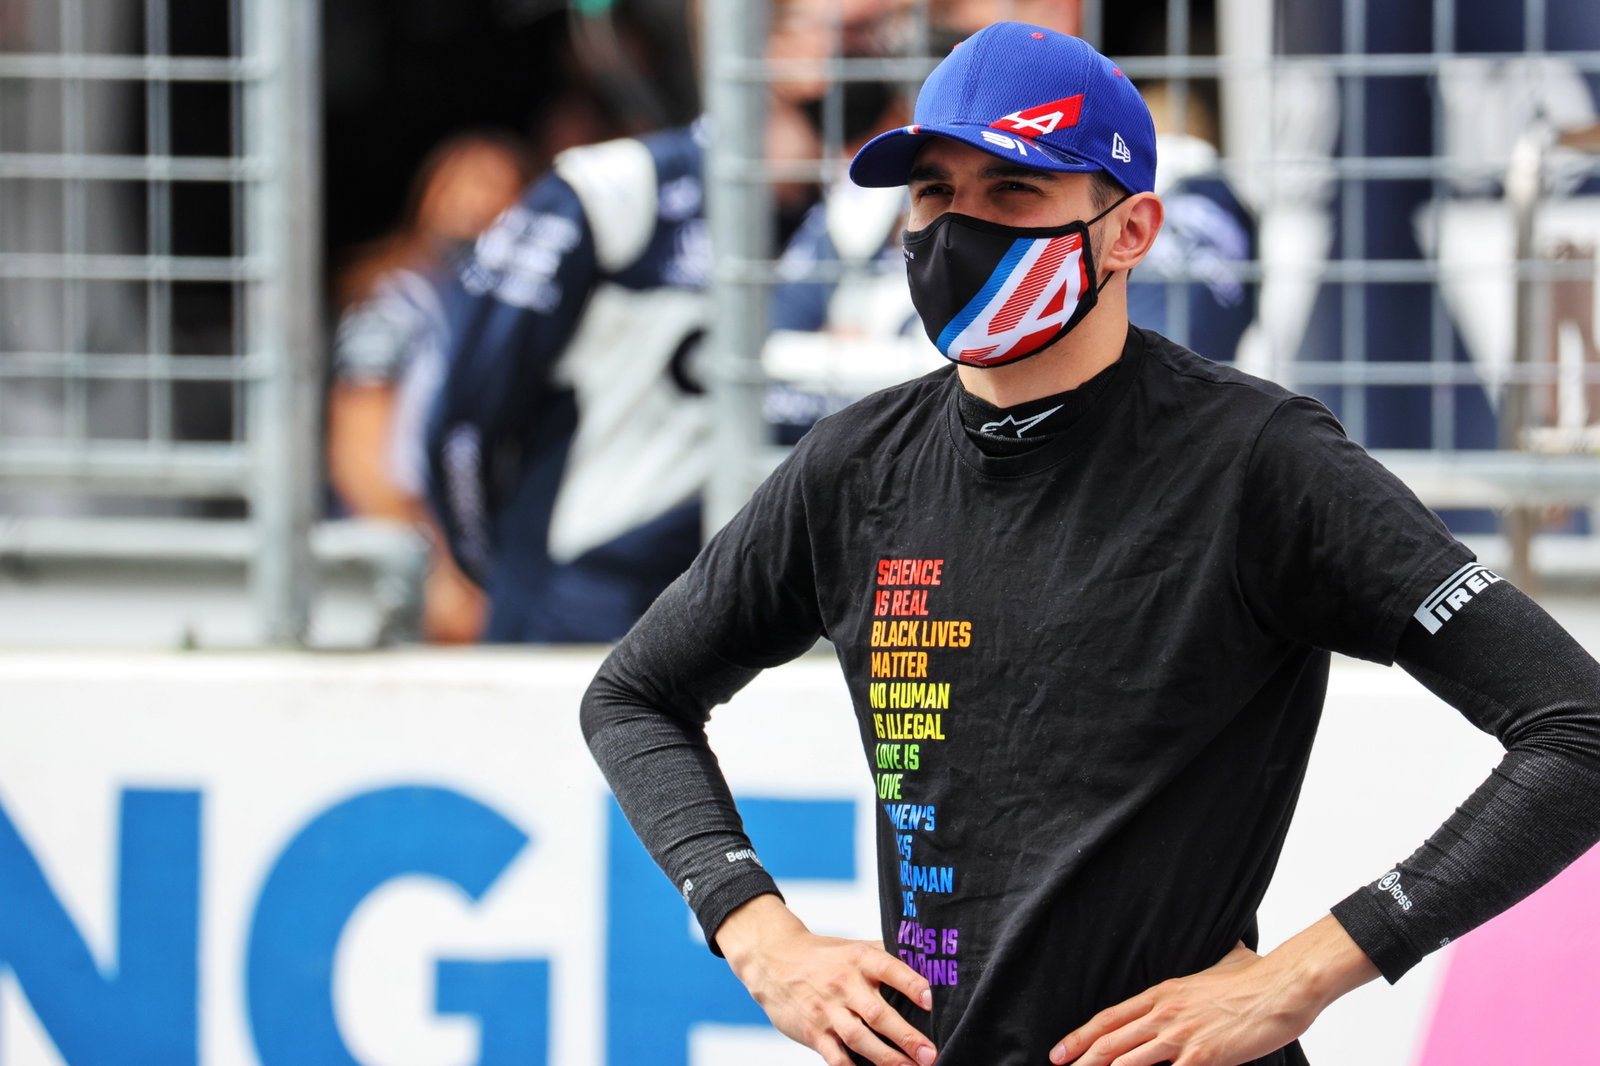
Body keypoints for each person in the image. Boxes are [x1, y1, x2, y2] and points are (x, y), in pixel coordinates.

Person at [583, 21, 1600, 1066]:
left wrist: (1304, 975)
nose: (957, 229)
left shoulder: (1257, 458)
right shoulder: (853, 466)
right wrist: (757, 934)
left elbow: (1578, 728)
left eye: (1013, 191)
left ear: (1129, 231)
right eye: (933, 193)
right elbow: (633, 695)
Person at [329, 131, 532, 643]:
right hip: (400, 553)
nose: (473, 204)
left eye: (493, 189)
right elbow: (358, 450)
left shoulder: (519, 312)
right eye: (456, 187)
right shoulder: (395, 306)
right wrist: (433, 566)